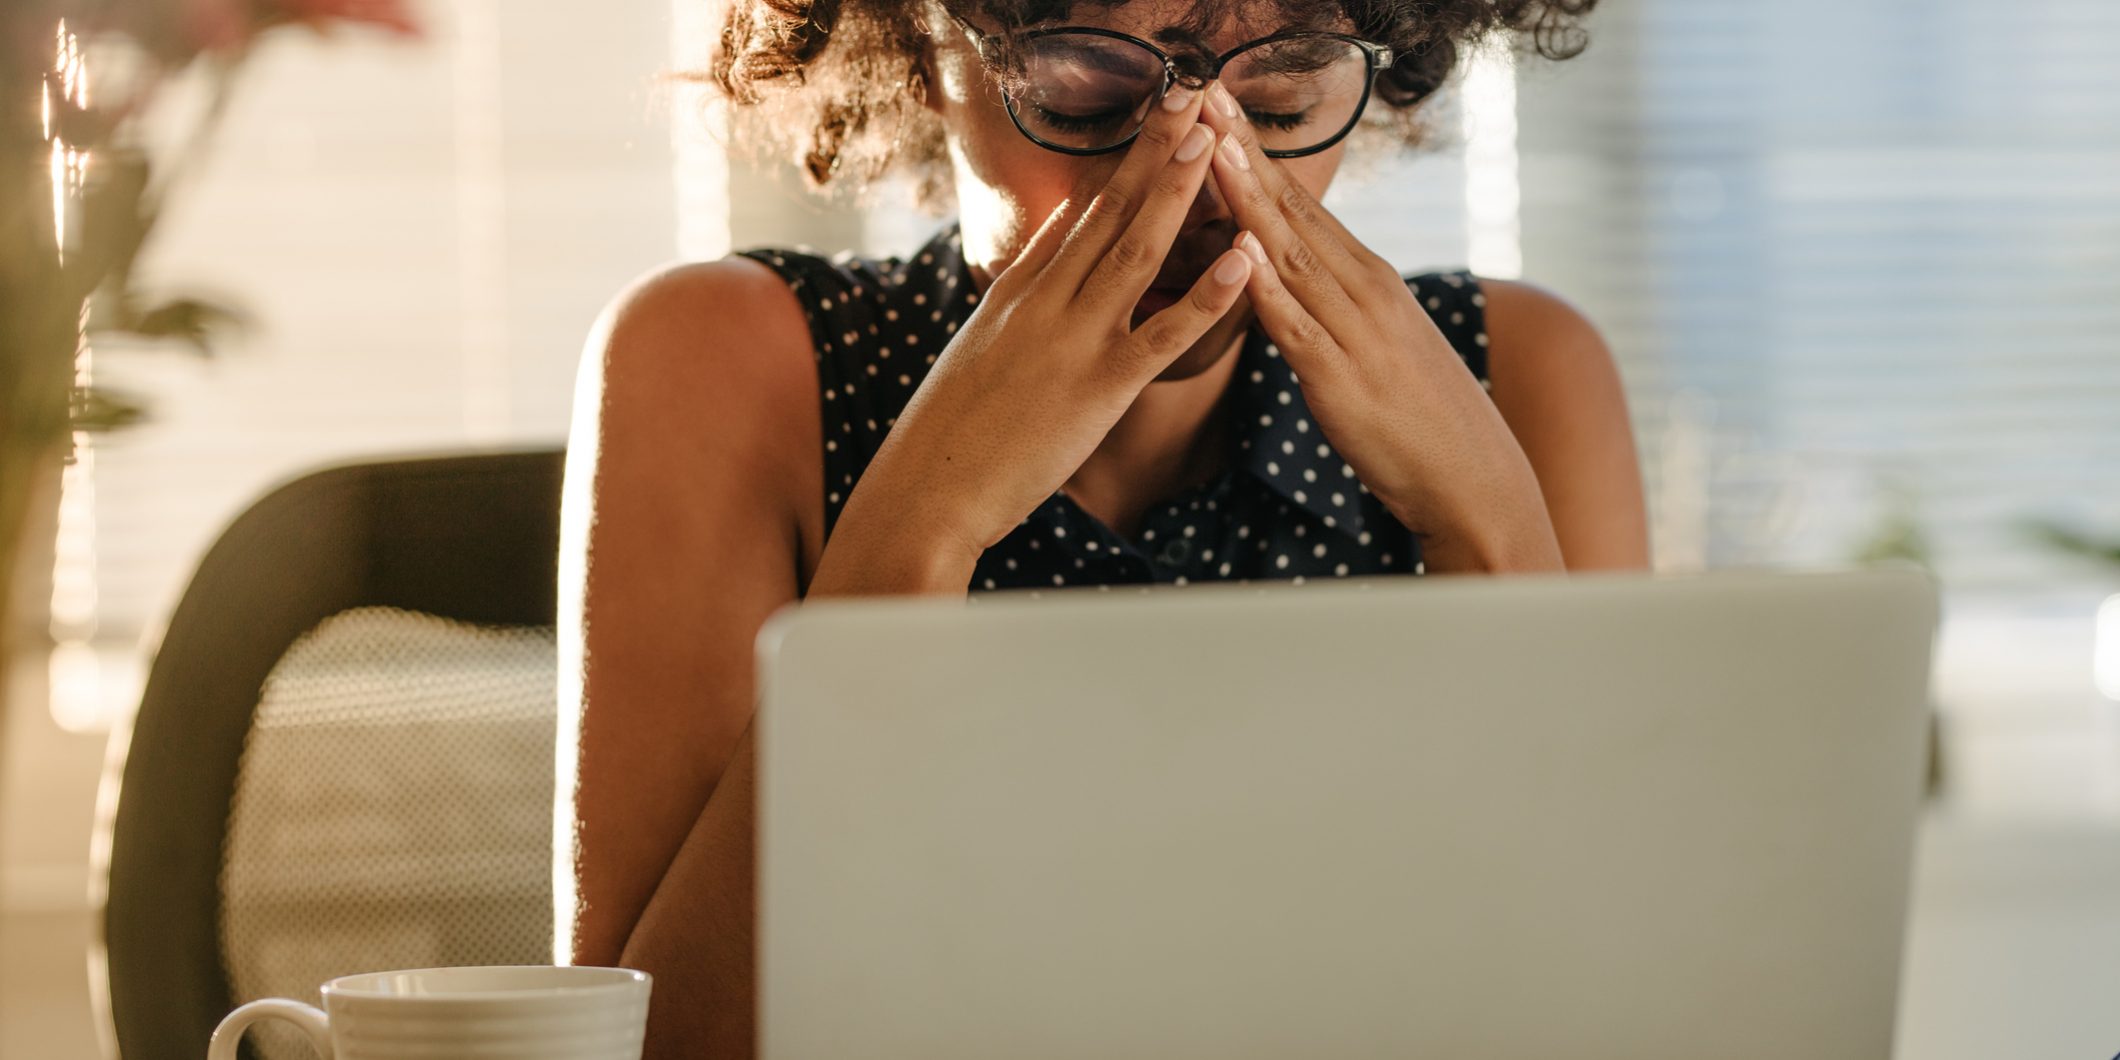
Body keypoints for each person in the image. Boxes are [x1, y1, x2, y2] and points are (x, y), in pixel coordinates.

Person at [560, 0, 1641, 1055]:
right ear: (915, 45)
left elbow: (1626, 994)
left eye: (1277, 100)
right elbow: (651, 1038)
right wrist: (924, 522)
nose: (1203, 174)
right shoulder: (724, 361)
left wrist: (1486, 522)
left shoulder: (1518, 372)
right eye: (1085, 96)